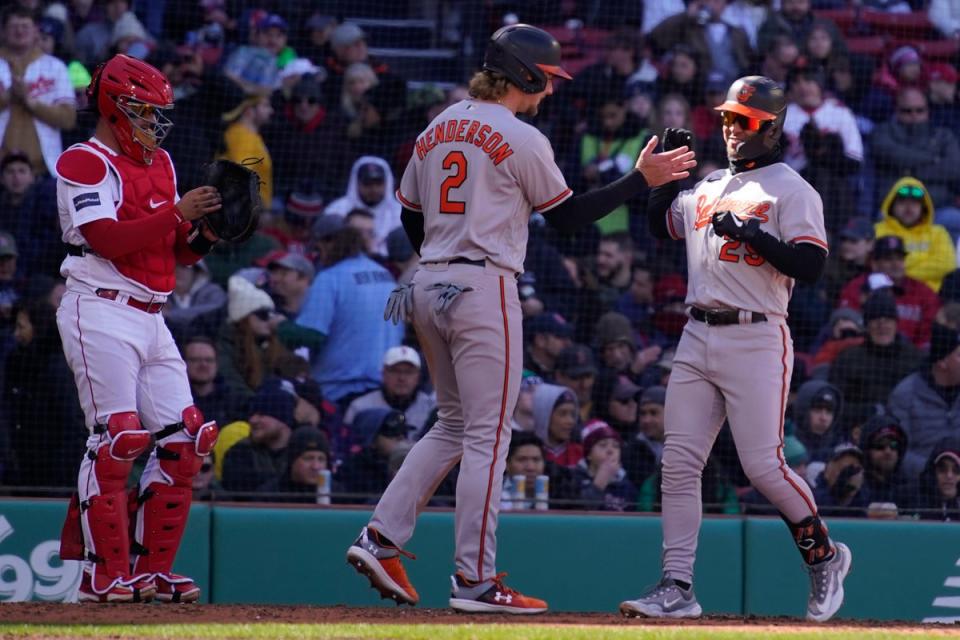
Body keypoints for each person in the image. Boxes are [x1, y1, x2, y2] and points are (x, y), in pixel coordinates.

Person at [346, 23, 695, 614]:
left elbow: (410, 218)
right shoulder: (521, 136)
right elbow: (567, 219)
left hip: (428, 282)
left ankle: (379, 538)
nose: (551, 89)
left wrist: (444, 252)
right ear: (525, 73)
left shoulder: (437, 127)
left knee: (454, 424)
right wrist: (641, 179)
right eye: (548, 78)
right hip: (483, 284)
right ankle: (476, 582)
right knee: (489, 433)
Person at [621, 75, 850, 623]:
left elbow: (813, 267)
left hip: (757, 334)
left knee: (764, 466)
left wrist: (755, 236)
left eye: (742, 120)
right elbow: (659, 227)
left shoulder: (792, 189)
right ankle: (677, 586)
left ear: (771, 128)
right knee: (678, 463)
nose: (730, 127)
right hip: (697, 332)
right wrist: (665, 176)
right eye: (726, 118)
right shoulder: (706, 185)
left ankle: (824, 556)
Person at [54, 54, 222, 603]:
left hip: (152, 313)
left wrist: (206, 235)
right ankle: (101, 575)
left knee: (187, 439)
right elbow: (106, 238)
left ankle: (151, 572)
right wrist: (177, 213)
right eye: (144, 112)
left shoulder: (163, 163)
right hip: (98, 307)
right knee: (118, 439)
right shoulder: (85, 161)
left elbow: (170, 252)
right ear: (114, 108)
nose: (154, 124)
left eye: (157, 114)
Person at [0, 6, 77, 176]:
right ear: (3, 31)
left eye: (25, 26)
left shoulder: (55, 67)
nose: (19, 31)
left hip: (43, 170)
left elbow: (68, 119)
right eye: (14, 27)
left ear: (36, 31)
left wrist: (30, 102)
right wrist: (8, 97)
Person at [829, 289, 923, 419]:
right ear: (867, 326)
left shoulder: (915, 358)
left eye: (888, 320)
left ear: (896, 324)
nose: (882, 325)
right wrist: (868, 411)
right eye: (876, 320)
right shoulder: (848, 358)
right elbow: (836, 402)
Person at [839, 236, 941, 348]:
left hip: (911, 357)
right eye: (888, 259)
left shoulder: (923, 292)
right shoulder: (856, 287)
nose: (896, 264)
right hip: (865, 352)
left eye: (900, 259)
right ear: (874, 264)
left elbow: (928, 334)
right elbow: (847, 321)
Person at [888, 320, 960, 479]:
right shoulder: (905, 394)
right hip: (920, 486)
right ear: (942, 362)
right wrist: (935, 472)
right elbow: (898, 450)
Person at [874, 178, 955, 293]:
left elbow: (946, 265)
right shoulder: (878, 230)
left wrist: (899, 272)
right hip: (888, 294)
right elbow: (875, 265)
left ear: (924, 207)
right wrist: (921, 264)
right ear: (891, 205)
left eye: (915, 202)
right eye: (902, 201)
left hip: (928, 298)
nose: (908, 207)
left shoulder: (938, 233)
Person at [220, 378, 297, 494]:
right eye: (252, 414)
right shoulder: (239, 452)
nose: (252, 420)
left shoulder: (302, 452)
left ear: (283, 419)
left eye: (262, 414)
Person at [343, 346, 436, 436]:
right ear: (383, 374)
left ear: (418, 377)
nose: (402, 378)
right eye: (395, 371)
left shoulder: (432, 407)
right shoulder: (360, 407)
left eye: (408, 372)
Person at [324, 156, 401, 257]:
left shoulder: (400, 212)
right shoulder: (336, 210)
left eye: (378, 183)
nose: (374, 189)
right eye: (367, 184)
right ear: (356, 183)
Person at [571, 419, 637, 512]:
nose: (610, 450)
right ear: (588, 454)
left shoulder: (627, 487)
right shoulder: (574, 479)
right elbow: (577, 513)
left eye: (616, 446)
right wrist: (598, 485)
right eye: (603, 445)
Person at [259, 426, 330, 503]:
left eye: (321, 459)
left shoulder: (337, 494)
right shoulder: (269, 495)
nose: (315, 466)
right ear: (292, 460)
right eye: (308, 458)